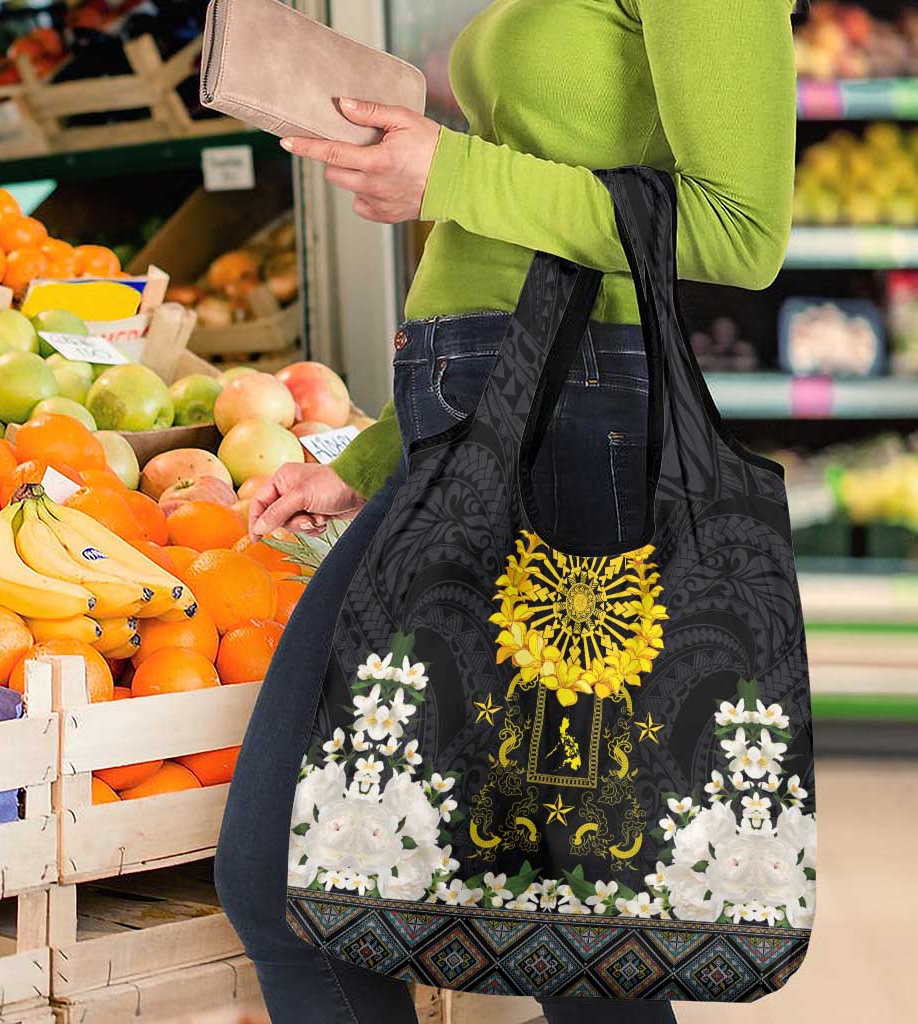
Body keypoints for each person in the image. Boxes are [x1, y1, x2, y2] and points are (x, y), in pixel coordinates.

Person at [215, 2, 798, 1021]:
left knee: (537, 918)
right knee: (563, 923)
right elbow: (515, 244)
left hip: (576, 445)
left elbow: (741, 229)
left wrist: (451, 172)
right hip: (483, 425)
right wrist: (376, 456)